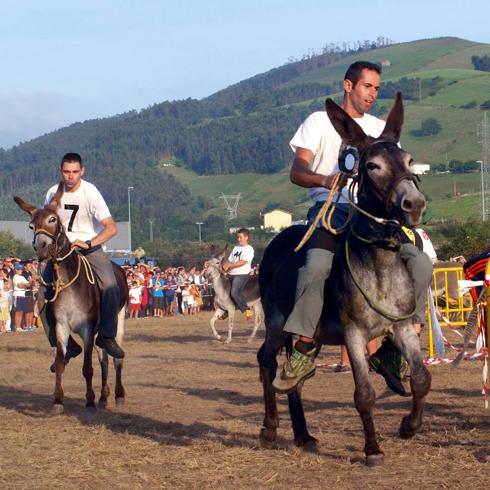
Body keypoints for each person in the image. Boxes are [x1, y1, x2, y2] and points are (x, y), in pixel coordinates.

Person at [273, 61, 433, 395]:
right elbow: (297, 171)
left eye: (377, 88)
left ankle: (392, 349)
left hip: (374, 219)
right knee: (316, 266)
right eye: (367, 87)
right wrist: (325, 178)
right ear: (348, 86)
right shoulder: (318, 122)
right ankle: (303, 348)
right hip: (330, 209)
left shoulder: (379, 128)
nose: (373, 94)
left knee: (419, 262)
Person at [43, 152, 125, 358]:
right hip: (62, 253)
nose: (70, 176)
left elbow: (111, 228)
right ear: (60, 171)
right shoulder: (52, 193)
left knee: (110, 285)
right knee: (42, 292)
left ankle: (106, 335)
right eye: (66, 172)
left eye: (74, 172)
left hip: (90, 248)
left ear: (82, 171)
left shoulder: (91, 192)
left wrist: (89, 242)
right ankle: (64, 342)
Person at [222, 228, 254, 314]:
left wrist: (229, 265)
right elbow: (230, 260)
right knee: (224, 294)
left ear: (246, 237)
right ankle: (226, 311)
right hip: (230, 274)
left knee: (234, 293)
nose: (238, 239)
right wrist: (224, 265)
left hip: (242, 274)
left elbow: (242, 262)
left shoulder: (249, 249)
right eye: (238, 237)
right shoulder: (236, 248)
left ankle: (247, 310)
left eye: (240, 237)